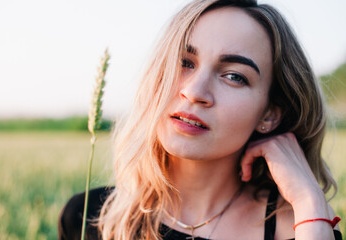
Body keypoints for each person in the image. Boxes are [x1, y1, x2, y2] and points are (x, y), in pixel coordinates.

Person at [58, 0, 343, 239]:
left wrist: (309, 203)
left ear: (269, 114)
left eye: (234, 76)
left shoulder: (300, 227)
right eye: (184, 62)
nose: (194, 92)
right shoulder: (90, 217)